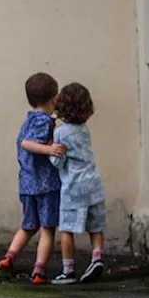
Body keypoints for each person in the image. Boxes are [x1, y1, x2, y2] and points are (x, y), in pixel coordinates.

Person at [0, 73, 65, 285]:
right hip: (45, 184)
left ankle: (9, 257)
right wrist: (50, 149)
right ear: (53, 99)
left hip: (27, 183)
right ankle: (39, 271)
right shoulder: (44, 122)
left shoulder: (29, 119)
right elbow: (27, 143)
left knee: (28, 225)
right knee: (47, 229)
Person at [50, 82, 107, 285]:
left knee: (66, 227)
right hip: (94, 183)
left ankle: (68, 270)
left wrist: (51, 153)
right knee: (95, 225)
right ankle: (97, 257)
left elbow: (58, 160)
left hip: (73, 186)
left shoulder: (61, 133)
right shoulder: (85, 130)